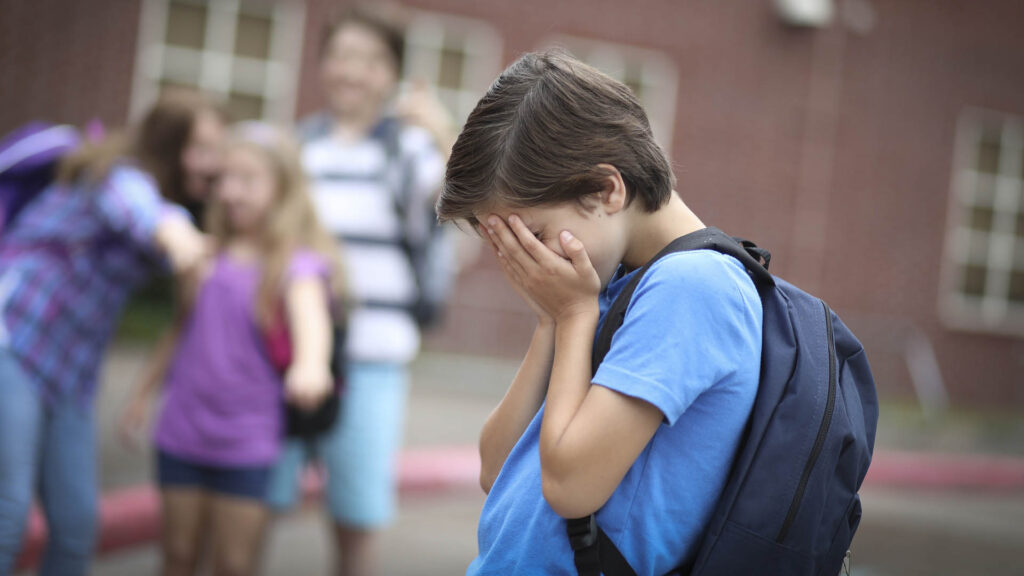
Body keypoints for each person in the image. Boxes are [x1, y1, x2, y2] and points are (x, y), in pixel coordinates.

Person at [436, 51, 765, 575]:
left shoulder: (692, 288)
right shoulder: (609, 283)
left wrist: (571, 316)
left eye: (534, 236)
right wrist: (552, 321)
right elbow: (495, 468)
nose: (524, 261)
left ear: (605, 190)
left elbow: (571, 486)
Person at [0, 91, 223, 576]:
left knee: (78, 525)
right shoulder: (116, 176)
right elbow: (139, 211)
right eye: (202, 147)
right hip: (12, 342)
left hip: (69, 374)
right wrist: (176, 235)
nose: (214, 162)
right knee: (8, 514)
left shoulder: (172, 198)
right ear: (168, 144)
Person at [264, 6, 449, 576]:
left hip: (372, 357)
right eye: (343, 55)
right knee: (257, 504)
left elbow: (463, 198)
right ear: (322, 65)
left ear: (393, 74)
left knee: (356, 516)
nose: (353, 71)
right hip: (285, 358)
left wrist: (440, 130)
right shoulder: (297, 148)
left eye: (371, 60)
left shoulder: (408, 149)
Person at [120, 122, 347, 576]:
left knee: (234, 563)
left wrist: (311, 364)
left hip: (247, 438)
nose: (230, 191)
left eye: (247, 179)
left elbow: (311, 319)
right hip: (182, 430)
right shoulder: (203, 252)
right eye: (225, 178)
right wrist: (142, 393)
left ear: (282, 189)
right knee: (179, 556)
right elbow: (179, 330)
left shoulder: (295, 262)